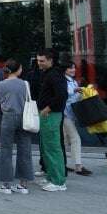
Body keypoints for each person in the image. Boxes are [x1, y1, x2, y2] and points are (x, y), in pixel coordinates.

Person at [0, 59, 34, 195]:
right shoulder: (25, 84)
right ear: (18, 70)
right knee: (25, 149)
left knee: (6, 150)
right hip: (24, 117)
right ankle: (23, 185)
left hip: (8, 117)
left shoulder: (0, 85)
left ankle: (6, 185)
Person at [36, 48, 68, 192]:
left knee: (53, 147)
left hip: (51, 114)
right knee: (47, 146)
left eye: (42, 61)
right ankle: (51, 177)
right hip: (47, 114)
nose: (39, 63)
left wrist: (47, 108)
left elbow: (62, 95)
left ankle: (58, 181)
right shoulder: (50, 73)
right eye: (38, 60)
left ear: (50, 60)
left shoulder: (55, 75)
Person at [63, 62, 92, 176]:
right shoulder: (64, 81)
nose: (73, 70)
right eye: (70, 68)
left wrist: (84, 92)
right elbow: (64, 93)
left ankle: (62, 164)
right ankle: (78, 166)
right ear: (65, 70)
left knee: (65, 140)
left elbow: (74, 98)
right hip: (65, 114)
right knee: (76, 138)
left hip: (70, 114)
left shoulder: (73, 81)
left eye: (74, 68)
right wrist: (75, 90)